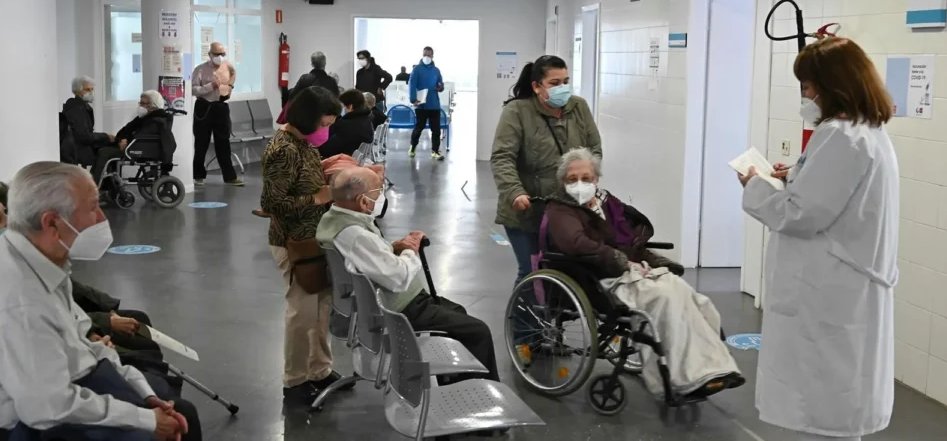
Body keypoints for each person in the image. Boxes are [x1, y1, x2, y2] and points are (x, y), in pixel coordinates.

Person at [0, 162, 197, 441]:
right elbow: (45, 406)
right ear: (53, 223)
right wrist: (145, 419)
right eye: (93, 207)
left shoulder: (40, 260)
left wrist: (144, 393)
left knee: (181, 413)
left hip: (51, 391)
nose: (102, 217)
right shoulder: (17, 297)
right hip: (3, 425)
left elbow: (83, 342)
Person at [738, 37, 898, 441]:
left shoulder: (841, 136)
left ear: (833, 85)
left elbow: (801, 214)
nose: (806, 96)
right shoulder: (866, 133)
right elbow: (832, 192)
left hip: (828, 292)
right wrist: (794, 174)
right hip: (841, 286)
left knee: (822, 406)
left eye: (808, 87)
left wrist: (756, 186)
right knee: (835, 404)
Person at [545, 148, 743, 399]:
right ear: (563, 182)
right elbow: (575, 243)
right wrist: (624, 262)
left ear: (596, 179)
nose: (580, 184)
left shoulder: (609, 203)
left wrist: (655, 261)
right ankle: (682, 377)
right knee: (665, 300)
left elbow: (632, 243)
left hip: (633, 270)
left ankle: (715, 367)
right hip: (602, 277)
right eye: (572, 179)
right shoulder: (560, 209)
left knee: (689, 296)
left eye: (586, 177)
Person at [317, 167, 499, 381]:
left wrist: (393, 247)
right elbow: (399, 278)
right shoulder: (354, 234)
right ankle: (477, 394)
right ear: (364, 201)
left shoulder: (335, 218)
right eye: (379, 191)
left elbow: (368, 257)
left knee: (457, 312)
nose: (382, 196)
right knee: (478, 332)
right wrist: (410, 250)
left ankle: (452, 379)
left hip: (390, 299)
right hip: (401, 307)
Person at [260, 85, 352, 401]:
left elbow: (303, 177)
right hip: (293, 242)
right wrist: (318, 196)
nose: (326, 131)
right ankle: (295, 380)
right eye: (324, 124)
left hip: (314, 239)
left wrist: (327, 170)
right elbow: (273, 202)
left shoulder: (302, 144)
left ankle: (320, 369)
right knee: (302, 312)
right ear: (307, 118)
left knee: (321, 307)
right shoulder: (283, 149)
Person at [491, 56, 601, 293]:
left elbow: (594, 151)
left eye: (566, 81)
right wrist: (515, 192)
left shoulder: (579, 107)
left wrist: (589, 181)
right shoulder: (517, 111)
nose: (563, 88)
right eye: (555, 82)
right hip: (529, 209)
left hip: (569, 209)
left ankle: (551, 327)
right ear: (536, 86)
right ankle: (523, 329)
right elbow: (502, 157)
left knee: (562, 273)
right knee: (532, 272)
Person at [91, 91, 176, 188]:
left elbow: (168, 143)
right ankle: (105, 185)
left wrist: (167, 164)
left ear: (153, 105)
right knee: (102, 146)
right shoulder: (144, 118)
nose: (141, 106)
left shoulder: (158, 121)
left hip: (137, 150)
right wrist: (123, 138)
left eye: (143, 103)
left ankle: (93, 187)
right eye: (140, 103)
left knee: (104, 152)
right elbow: (125, 129)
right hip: (133, 146)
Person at [191, 42, 242, 187]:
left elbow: (233, 74)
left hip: (220, 106)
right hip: (204, 107)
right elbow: (193, 89)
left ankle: (230, 177)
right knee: (201, 142)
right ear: (210, 54)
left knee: (223, 142)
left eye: (222, 54)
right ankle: (198, 176)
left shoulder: (227, 66)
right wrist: (210, 86)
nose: (220, 57)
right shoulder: (200, 69)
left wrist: (230, 86)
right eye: (217, 54)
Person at [63, 76, 114, 170]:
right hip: (79, 149)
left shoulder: (80, 107)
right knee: (110, 149)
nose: (90, 93)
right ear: (78, 91)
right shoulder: (77, 109)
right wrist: (106, 136)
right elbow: (84, 136)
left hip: (78, 146)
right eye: (87, 90)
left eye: (92, 89)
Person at [408, 46, 445, 160]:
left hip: (434, 105)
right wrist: (413, 99)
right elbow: (412, 84)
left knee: (436, 129)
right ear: (422, 55)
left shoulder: (436, 70)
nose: (427, 57)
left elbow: (440, 84)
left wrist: (440, 87)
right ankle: (413, 147)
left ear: (432, 56)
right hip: (421, 105)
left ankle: (435, 150)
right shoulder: (417, 69)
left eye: (429, 55)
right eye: (425, 54)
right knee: (419, 127)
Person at [319, 90, 376, 160]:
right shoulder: (366, 119)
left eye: (342, 106)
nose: (341, 110)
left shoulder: (347, 126)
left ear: (350, 106)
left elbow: (326, 150)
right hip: (353, 159)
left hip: (341, 160)